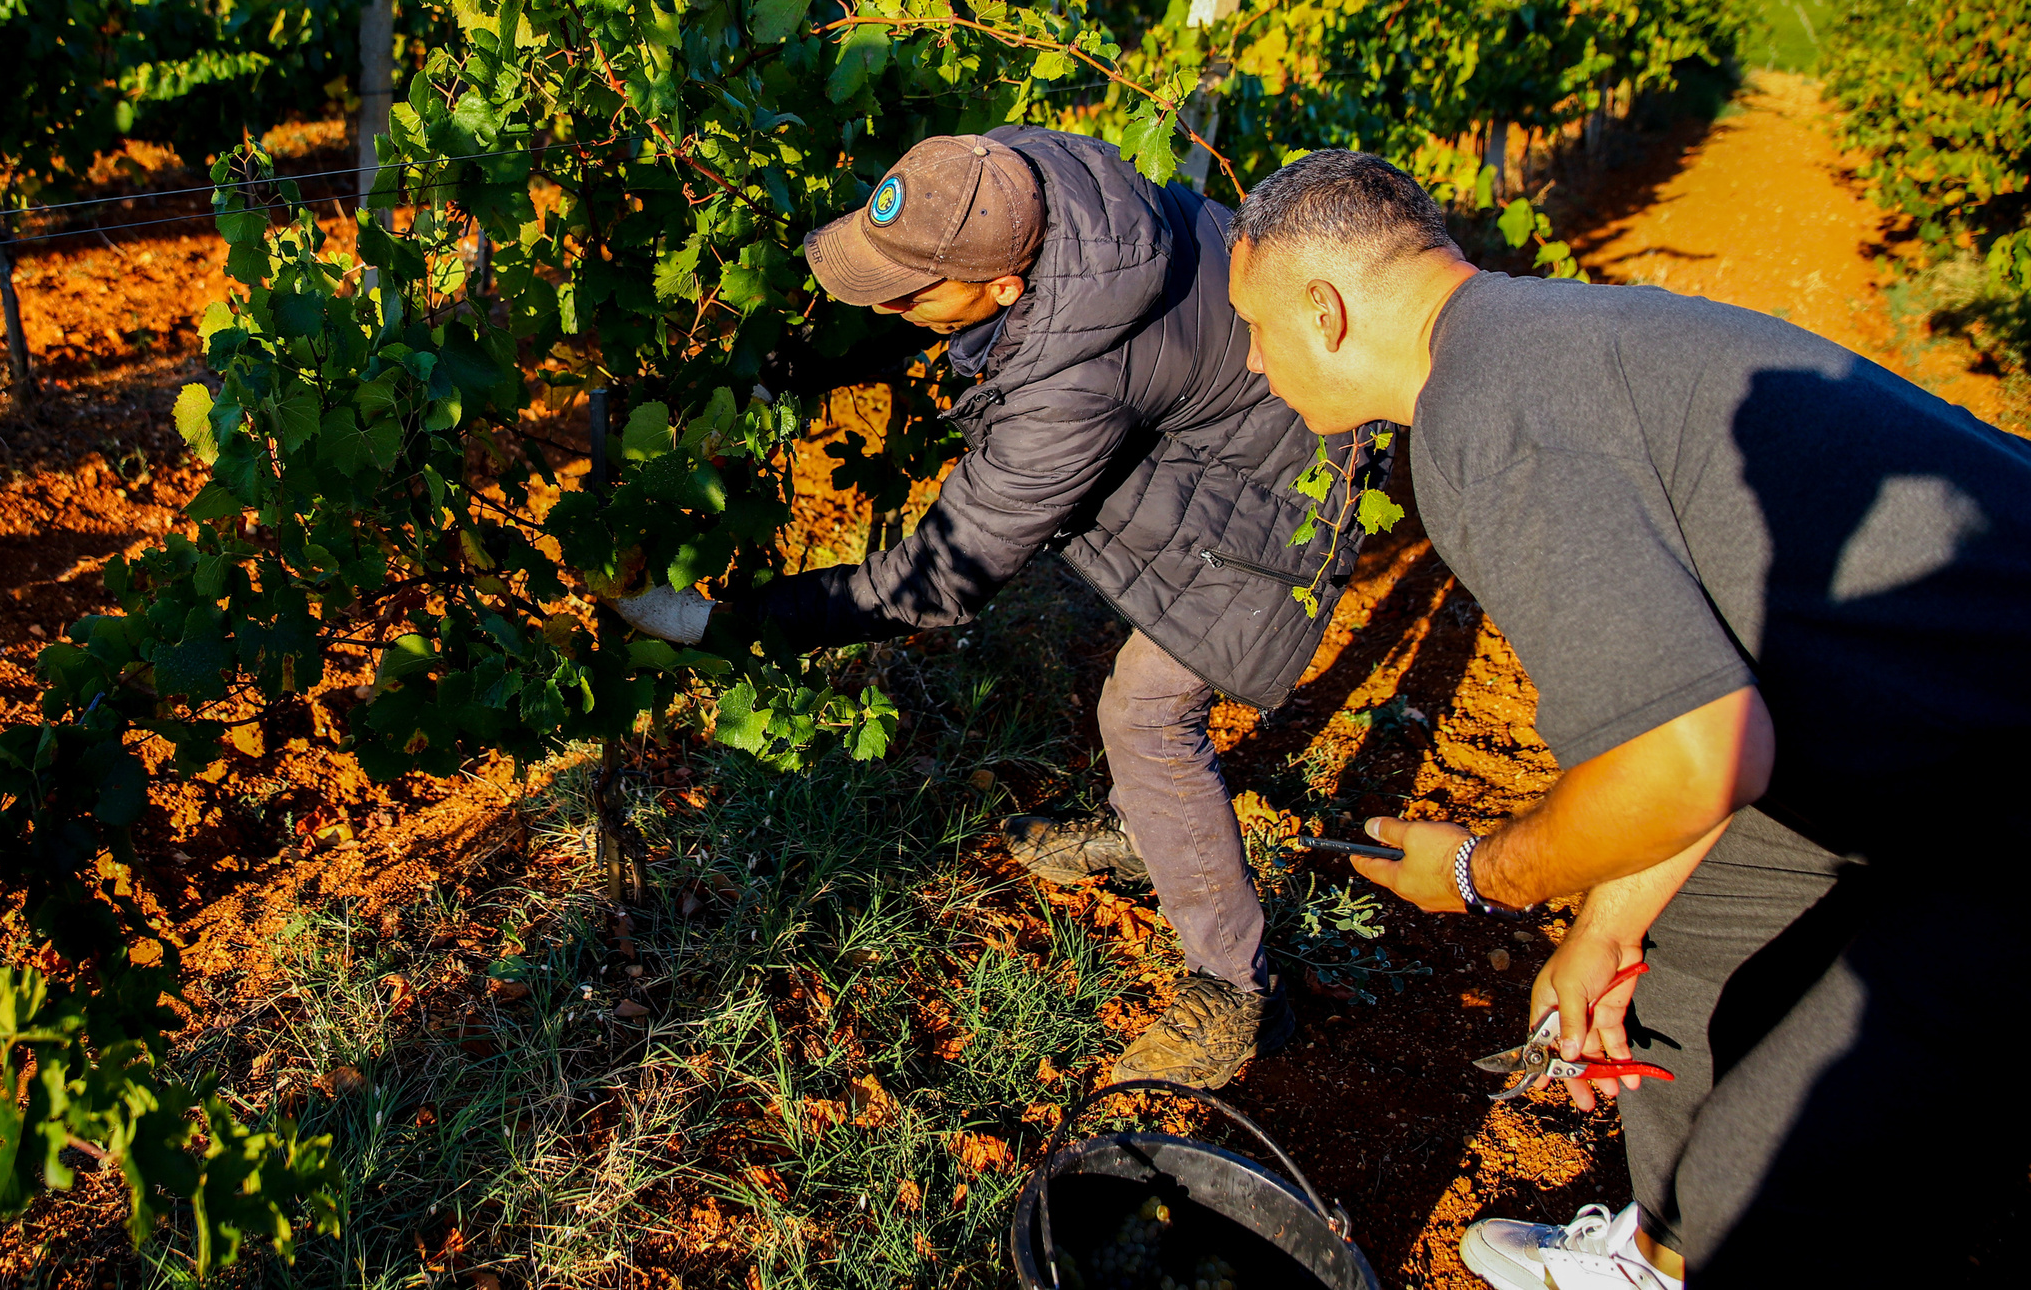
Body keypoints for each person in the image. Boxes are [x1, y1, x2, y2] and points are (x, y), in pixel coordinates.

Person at [1222, 148, 2030, 1285]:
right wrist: (1606, 924)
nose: (1252, 362)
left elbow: (1689, 758)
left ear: (1326, 309)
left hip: (1998, 794)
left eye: (1255, 328)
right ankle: (1661, 1254)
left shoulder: (1483, 420)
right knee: (1689, 943)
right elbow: (1703, 683)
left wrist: (1481, 875)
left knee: (1786, 1170)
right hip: (1941, 725)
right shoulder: (1537, 339)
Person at [617, 127, 1394, 1087]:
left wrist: (724, 624)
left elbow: (939, 576)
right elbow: (920, 292)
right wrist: (782, 373)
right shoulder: (1008, 176)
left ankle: (1236, 990)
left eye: (910, 294)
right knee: (1139, 667)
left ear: (1004, 289)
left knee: (1147, 714)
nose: (891, 305)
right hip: (1222, 412)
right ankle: (1148, 830)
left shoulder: (1071, 386)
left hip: (1296, 467)